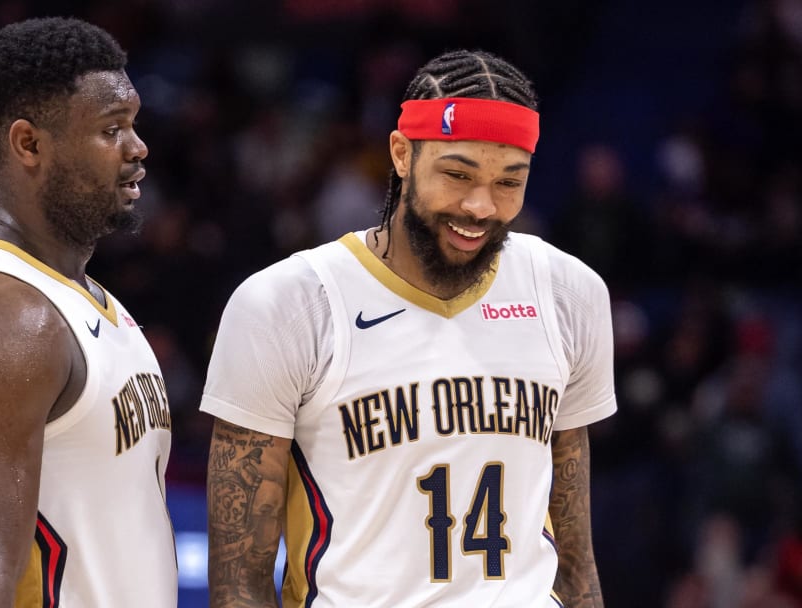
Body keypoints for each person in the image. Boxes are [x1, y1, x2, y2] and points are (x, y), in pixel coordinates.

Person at [201, 49, 616, 608]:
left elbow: (576, 558)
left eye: (508, 183)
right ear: (402, 153)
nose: (480, 206)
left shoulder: (569, 293)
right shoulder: (289, 305)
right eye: (457, 173)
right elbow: (239, 579)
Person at [0, 17, 176, 607]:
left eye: (134, 124)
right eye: (112, 128)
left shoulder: (82, 301)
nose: (137, 146)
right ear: (29, 144)